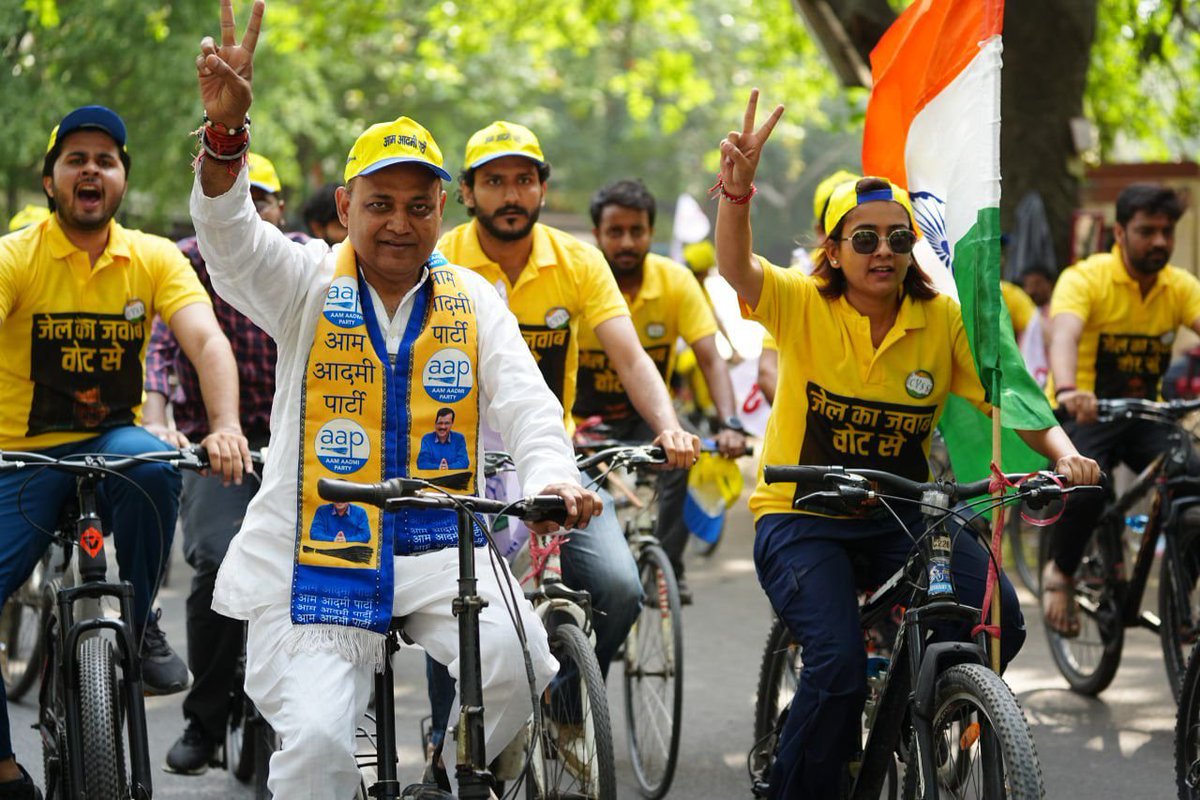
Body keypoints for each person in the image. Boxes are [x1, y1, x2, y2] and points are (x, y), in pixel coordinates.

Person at [190, 5, 600, 796]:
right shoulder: (306, 279)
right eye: (380, 204)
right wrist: (226, 138)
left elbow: (527, 403)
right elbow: (231, 241)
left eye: (419, 206)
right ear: (346, 209)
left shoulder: (474, 299)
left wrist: (554, 479)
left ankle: (444, 772)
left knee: (521, 665)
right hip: (316, 551)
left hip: (442, 544)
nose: (400, 224)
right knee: (314, 750)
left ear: (442, 211)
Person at [714, 90, 1099, 799]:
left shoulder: (938, 317)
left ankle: (921, 697)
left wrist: (1060, 450)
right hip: (802, 517)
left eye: (898, 237)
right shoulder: (803, 302)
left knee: (1000, 623)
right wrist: (735, 198)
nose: (884, 251)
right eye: (864, 239)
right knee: (833, 666)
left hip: (904, 513)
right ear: (833, 250)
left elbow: (1004, 392)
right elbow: (738, 272)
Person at [0, 104, 249, 800]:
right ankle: (4, 766)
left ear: (120, 181)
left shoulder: (152, 256)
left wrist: (224, 424)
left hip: (112, 440)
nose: (90, 169)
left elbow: (205, 340)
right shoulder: (14, 258)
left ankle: (135, 629)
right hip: (21, 455)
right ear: (51, 180)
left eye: (104, 159)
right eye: (75, 158)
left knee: (151, 464)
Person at [143, 151, 308, 776]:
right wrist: (158, 418)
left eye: (260, 197)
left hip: (299, 445)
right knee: (215, 556)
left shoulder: (303, 259)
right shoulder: (189, 259)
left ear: (279, 208)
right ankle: (206, 721)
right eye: (238, 196)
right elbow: (163, 349)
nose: (250, 210)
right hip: (216, 447)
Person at [1044, 182, 1200, 636]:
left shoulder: (1178, 286)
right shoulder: (1085, 278)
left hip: (1142, 415)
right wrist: (1071, 388)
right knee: (1087, 485)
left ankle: (1178, 594)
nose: (1159, 241)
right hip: (1083, 412)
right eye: (1146, 230)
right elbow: (1065, 335)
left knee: (1193, 475)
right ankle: (1062, 573)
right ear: (1119, 233)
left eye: (1167, 231)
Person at [578, 177, 746, 597]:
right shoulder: (577, 281)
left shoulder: (675, 281)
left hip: (647, 419)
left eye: (637, 231)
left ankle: (665, 567)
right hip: (580, 423)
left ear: (652, 233)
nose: (627, 242)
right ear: (597, 234)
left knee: (683, 455)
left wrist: (730, 423)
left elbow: (710, 356)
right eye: (615, 232)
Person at [759, 169, 861, 403]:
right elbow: (768, 371)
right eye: (839, 224)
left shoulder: (891, 281)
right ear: (820, 233)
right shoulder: (797, 284)